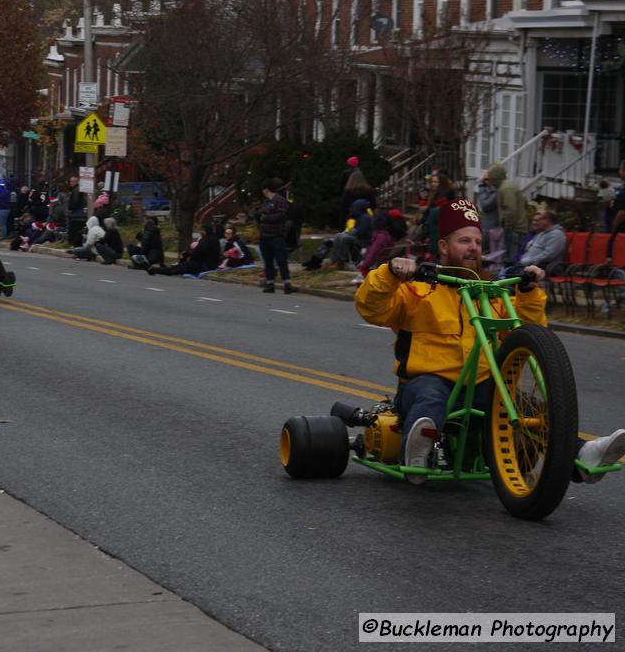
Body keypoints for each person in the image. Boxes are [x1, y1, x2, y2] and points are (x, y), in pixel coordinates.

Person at [356, 199, 625, 485]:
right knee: (430, 396)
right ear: (444, 247)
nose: (473, 247)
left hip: (481, 386)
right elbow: (371, 308)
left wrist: (528, 292)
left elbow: (532, 335)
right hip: (424, 382)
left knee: (527, 407)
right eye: (464, 241)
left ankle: (583, 454)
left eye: (477, 241)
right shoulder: (417, 289)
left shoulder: (492, 294)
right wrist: (389, 273)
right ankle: (419, 450)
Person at [254, 178, 296, 293]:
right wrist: (258, 215)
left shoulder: (280, 201)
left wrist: (266, 217)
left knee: (281, 260)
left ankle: (287, 284)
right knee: (268, 261)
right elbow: (259, 214)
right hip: (265, 235)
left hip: (276, 235)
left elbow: (281, 216)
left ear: (266, 189)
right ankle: (270, 283)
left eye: (263, 189)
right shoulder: (266, 202)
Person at [487, 162, 528, 264]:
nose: (490, 182)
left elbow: (510, 210)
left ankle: (512, 278)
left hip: (515, 230)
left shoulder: (506, 188)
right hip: (516, 229)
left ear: (495, 177)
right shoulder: (508, 186)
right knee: (511, 258)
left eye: (491, 178)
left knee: (513, 260)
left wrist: (508, 226)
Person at [148, 225, 221, 276]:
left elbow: (197, 253)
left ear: (206, 231)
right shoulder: (215, 239)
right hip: (210, 265)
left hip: (203, 265)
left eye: (202, 230)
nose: (201, 232)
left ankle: (155, 270)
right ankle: (158, 269)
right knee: (179, 267)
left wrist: (188, 255)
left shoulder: (205, 240)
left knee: (176, 269)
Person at [66, 176, 87, 247]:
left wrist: (70, 208)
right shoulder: (76, 189)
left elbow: (75, 201)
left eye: (72, 181)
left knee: (74, 230)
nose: (71, 183)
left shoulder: (76, 190)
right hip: (78, 212)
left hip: (77, 213)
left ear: (77, 181)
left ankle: (74, 244)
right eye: (70, 181)